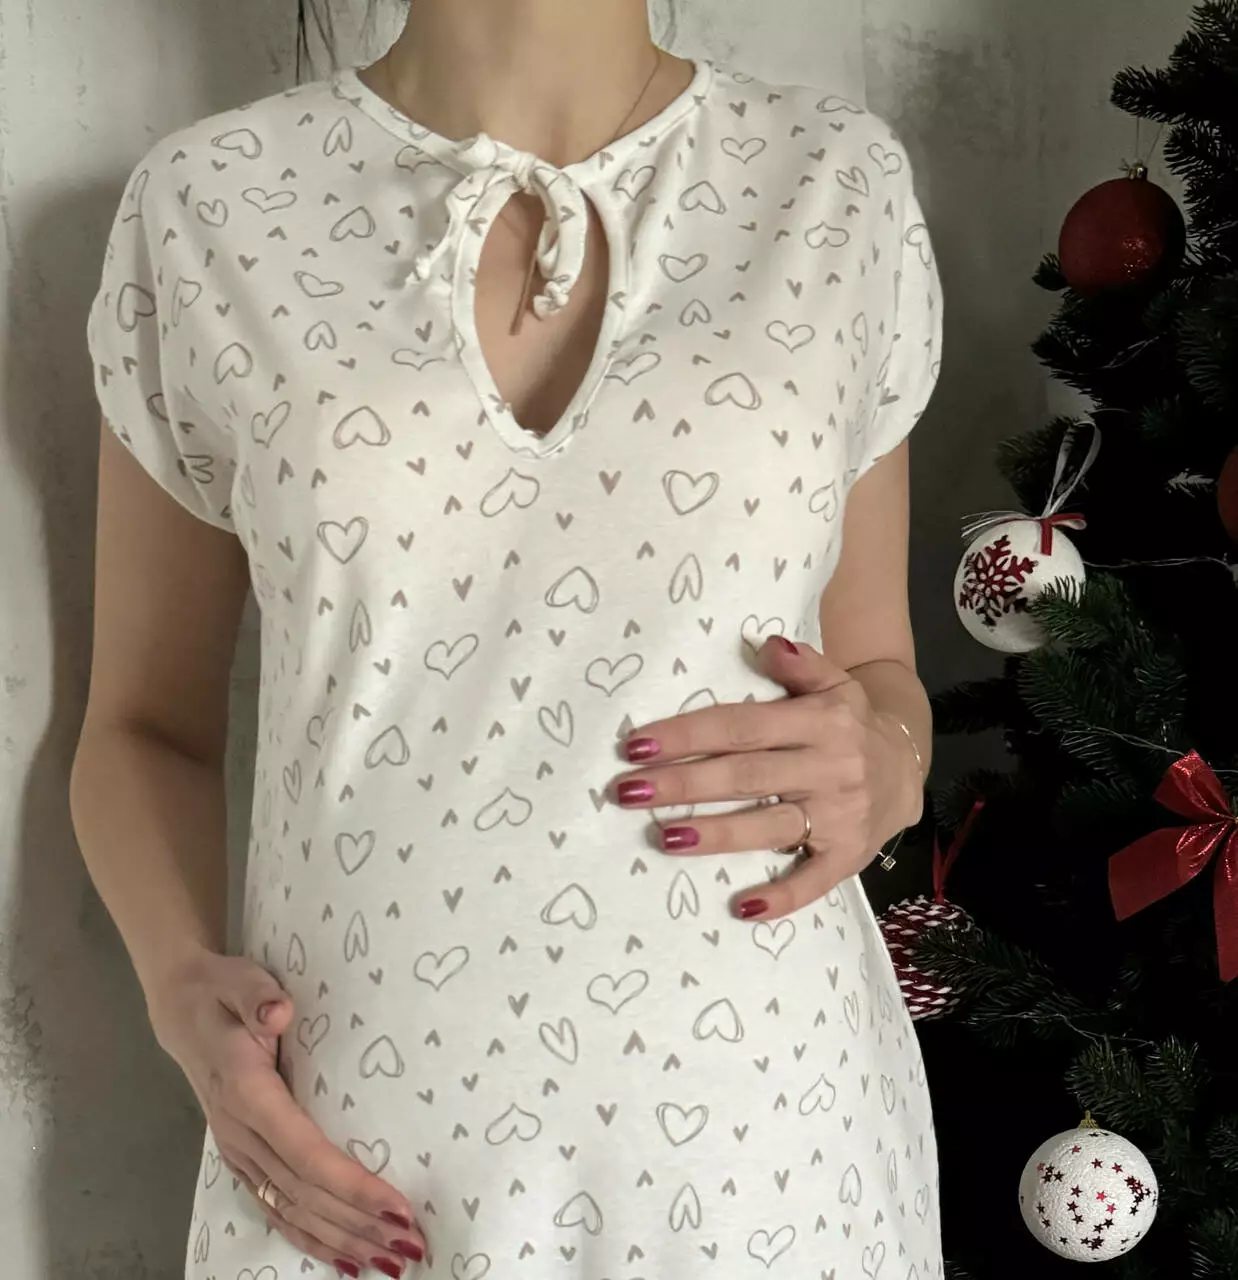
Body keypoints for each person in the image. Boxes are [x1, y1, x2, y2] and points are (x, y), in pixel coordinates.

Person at [71, 1, 945, 1276]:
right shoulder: (210, 201)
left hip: (765, 1138)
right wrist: (175, 988)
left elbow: (876, 674)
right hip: (350, 1159)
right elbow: (143, 725)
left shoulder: (832, 182)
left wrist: (893, 760)